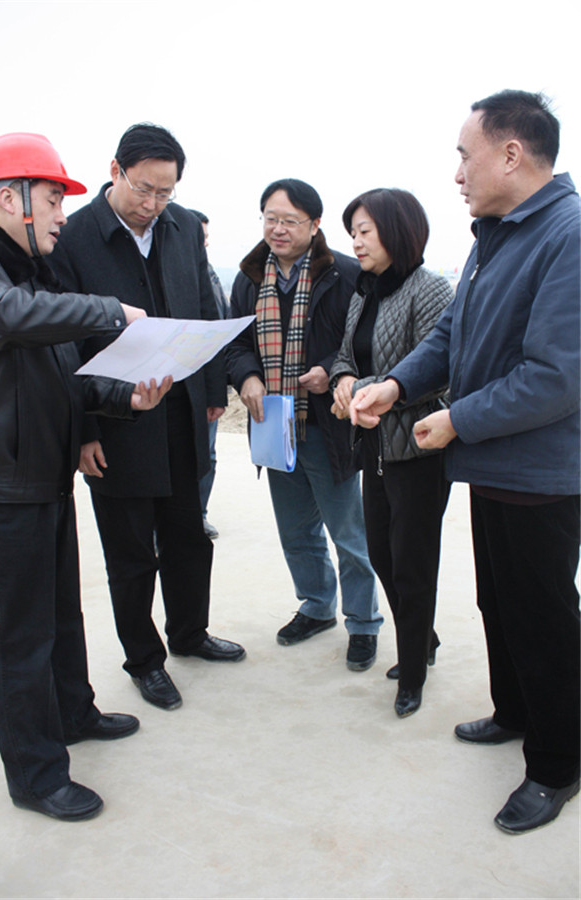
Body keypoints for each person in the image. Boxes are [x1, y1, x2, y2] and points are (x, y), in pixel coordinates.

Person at [350, 90, 580, 833]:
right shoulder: (494, 237)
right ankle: (515, 713)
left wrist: (455, 421)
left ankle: (557, 764)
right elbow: (451, 335)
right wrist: (395, 385)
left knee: (544, 619)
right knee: (499, 604)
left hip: (542, 473)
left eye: (463, 155)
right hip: (495, 465)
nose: (456, 173)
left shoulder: (569, 235)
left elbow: (556, 377)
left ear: (511, 154)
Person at [0, 132, 172, 821]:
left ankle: (72, 713)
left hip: (41, 475)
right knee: (17, 636)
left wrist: (126, 398)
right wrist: (111, 310)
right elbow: (5, 318)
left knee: (61, 613)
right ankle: (35, 776)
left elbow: (62, 375)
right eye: (53, 198)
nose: (63, 215)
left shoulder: (29, 271)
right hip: (0, 487)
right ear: (10, 198)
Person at [49, 124, 246, 714]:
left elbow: (204, 307)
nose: (154, 204)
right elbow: (64, 345)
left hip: (182, 412)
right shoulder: (75, 237)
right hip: (114, 423)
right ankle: (145, 660)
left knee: (189, 536)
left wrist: (211, 391)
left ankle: (189, 632)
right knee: (131, 553)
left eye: (166, 191)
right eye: (144, 189)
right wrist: (83, 430)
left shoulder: (181, 226)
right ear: (115, 171)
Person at [226, 178, 382, 671]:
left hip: (327, 425)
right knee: (296, 531)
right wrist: (247, 376)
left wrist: (330, 370)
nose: (278, 229)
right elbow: (235, 344)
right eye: (270, 218)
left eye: (289, 221)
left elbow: (366, 343)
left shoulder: (346, 274)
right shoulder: (250, 278)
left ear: (314, 224)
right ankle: (316, 606)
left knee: (348, 533)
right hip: (274, 425)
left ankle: (363, 621)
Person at [330, 189, 453, 718]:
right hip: (374, 448)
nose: (356, 242)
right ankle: (423, 637)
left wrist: (364, 388)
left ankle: (413, 672)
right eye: (352, 232)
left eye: (365, 231)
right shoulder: (364, 292)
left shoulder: (431, 289)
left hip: (420, 451)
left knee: (412, 566)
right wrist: (342, 380)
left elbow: (436, 373)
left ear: (397, 231)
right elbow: (345, 355)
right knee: (381, 553)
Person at [188, 209, 230, 540]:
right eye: (197, 238)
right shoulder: (179, 274)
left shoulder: (211, 275)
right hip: (182, 383)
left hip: (209, 381)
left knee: (208, 454)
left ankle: (199, 514)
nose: (203, 244)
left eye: (204, 238)